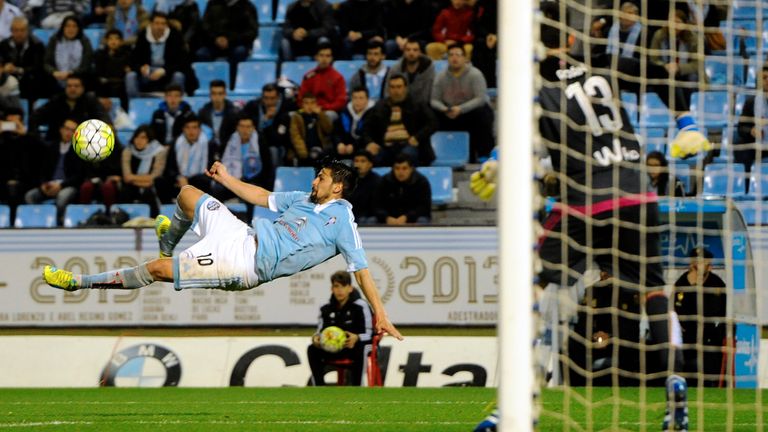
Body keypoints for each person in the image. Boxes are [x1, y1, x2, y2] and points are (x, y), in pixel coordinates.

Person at [42, 158, 403, 343]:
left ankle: (78, 282)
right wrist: (226, 179)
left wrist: (380, 313)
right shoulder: (304, 199)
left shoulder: (343, 219)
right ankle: (168, 242)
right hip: (242, 234)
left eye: (321, 177)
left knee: (156, 270)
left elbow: (360, 267)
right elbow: (263, 197)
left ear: (337, 186)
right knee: (186, 193)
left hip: (244, 263)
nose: (314, 180)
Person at [307, 270, 374, 386]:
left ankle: (357, 386)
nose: (340, 290)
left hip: (357, 346)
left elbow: (371, 333)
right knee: (312, 349)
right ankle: (319, 387)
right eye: (336, 286)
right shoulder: (326, 308)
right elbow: (319, 331)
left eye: (343, 286)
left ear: (350, 288)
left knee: (361, 348)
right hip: (335, 348)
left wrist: (357, 337)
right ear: (332, 289)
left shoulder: (361, 306)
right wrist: (316, 339)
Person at [430, 43, 494, 162]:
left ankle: (484, 154)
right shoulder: (440, 77)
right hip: (448, 112)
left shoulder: (475, 74)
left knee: (484, 112)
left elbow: (480, 98)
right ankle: (431, 154)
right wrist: (444, 109)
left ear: (465, 58)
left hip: (469, 112)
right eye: (451, 55)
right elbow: (434, 100)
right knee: (428, 112)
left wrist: (461, 109)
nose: (454, 58)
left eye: (458, 55)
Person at [673, 247, 727, 387]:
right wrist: (692, 287)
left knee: (709, 381)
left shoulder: (717, 285)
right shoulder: (682, 283)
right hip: (687, 341)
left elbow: (718, 312)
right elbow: (677, 310)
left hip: (710, 342)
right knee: (686, 379)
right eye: (695, 262)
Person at [364, 73, 437, 167]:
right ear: (388, 89)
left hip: (410, 145)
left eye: (399, 87)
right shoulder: (380, 106)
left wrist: (417, 137)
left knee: (405, 157)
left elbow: (433, 123)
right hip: (386, 147)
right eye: (392, 87)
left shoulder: (417, 104)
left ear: (405, 88)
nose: (396, 91)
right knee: (367, 158)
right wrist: (370, 142)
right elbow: (366, 128)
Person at [24, 118, 86, 222]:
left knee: (62, 198)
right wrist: (43, 184)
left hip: (68, 186)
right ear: (61, 130)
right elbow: (42, 170)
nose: (69, 133)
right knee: (30, 196)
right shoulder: (51, 147)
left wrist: (61, 185)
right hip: (50, 185)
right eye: (67, 129)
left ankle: (58, 224)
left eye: (73, 130)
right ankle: (38, 221)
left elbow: (79, 176)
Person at [127, 11, 197, 97]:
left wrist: (165, 70)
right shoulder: (143, 36)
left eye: (163, 24)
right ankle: (134, 105)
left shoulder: (175, 36)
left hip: (168, 73)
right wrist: (140, 68)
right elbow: (133, 60)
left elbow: (183, 62)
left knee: (178, 76)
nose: (160, 27)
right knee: (130, 76)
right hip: (148, 73)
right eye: (157, 23)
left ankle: (176, 103)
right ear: (151, 24)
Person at [29, 74, 109, 142]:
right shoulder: (56, 101)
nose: (72, 89)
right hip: (56, 144)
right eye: (69, 86)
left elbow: (104, 120)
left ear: (83, 88)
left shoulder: (90, 101)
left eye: (76, 86)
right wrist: (38, 139)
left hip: (83, 144)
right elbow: (34, 118)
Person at [196, 0, 258, 85]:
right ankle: (205, 84)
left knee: (239, 52)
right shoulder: (212, 4)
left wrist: (230, 40)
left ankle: (232, 84)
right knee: (201, 53)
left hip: (237, 44)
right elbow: (204, 27)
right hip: (214, 44)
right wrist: (215, 39)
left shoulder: (247, 6)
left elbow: (252, 32)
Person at [155, 115, 214, 202]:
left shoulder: (209, 144)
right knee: (160, 181)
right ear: (183, 129)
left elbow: (210, 169)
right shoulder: (176, 142)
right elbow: (169, 168)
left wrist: (189, 181)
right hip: (179, 180)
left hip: (198, 180)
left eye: (194, 128)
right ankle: (168, 207)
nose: (191, 131)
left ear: (200, 130)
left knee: (202, 181)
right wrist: (179, 177)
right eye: (188, 128)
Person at [242, 83, 296, 173]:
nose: (269, 102)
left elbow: (279, 139)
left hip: (277, 145)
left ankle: (273, 180)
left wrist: (268, 122)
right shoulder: (253, 106)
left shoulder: (286, 108)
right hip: (254, 141)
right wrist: (265, 119)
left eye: (272, 98)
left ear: (278, 97)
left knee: (273, 151)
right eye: (266, 98)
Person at [216, 115, 272, 200]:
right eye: (242, 126)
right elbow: (221, 161)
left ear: (253, 128)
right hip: (231, 179)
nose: (245, 130)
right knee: (217, 189)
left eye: (248, 127)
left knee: (254, 191)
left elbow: (267, 167)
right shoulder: (229, 141)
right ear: (237, 127)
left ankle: (251, 213)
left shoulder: (260, 143)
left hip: (252, 181)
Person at [119, 125, 167, 215]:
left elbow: (155, 177)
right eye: (136, 137)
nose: (139, 141)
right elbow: (126, 177)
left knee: (153, 188)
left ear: (149, 140)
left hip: (152, 187)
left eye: (143, 137)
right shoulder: (127, 151)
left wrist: (133, 179)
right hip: (133, 187)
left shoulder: (159, 151)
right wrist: (147, 181)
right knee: (125, 190)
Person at [373, 153, 431, 224]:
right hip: (389, 219)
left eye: (404, 168)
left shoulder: (421, 182)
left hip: (413, 218)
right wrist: (386, 217)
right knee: (372, 220)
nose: (400, 172)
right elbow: (377, 206)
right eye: (397, 168)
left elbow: (424, 207)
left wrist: (407, 217)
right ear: (393, 169)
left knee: (422, 220)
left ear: (411, 169)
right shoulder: (384, 181)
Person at [0, 16, 47, 100]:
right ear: (11, 31)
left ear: (28, 30)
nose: (19, 33)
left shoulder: (37, 45)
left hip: (30, 81)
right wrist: (4, 68)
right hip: (8, 80)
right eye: (16, 30)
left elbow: (38, 68)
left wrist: (18, 70)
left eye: (22, 30)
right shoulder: (3, 45)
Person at [298, 42, 346, 121]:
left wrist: (322, 108)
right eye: (321, 55)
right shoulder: (308, 76)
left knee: (327, 116)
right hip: (308, 109)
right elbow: (301, 98)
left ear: (331, 58)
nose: (324, 59)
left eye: (327, 56)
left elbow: (340, 101)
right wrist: (309, 107)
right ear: (316, 57)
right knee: (292, 116)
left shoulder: (338, 77)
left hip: (328, 111)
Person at [43, 16, 93, 90]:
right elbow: (46, 63)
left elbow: (86, 65)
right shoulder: (54, 40)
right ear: (63, 28)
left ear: (78, 28)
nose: (71, 29)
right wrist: (54, 72)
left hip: (78, 77)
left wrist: (70, 73)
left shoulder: (84, 41)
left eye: (74, 26)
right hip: (56, 77)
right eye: (68, 26)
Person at [735, 64, 768, 173]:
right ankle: (745, 183)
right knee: (740, 146)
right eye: (764, 77)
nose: (767, 80)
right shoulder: (751, 102)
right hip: (758, 144)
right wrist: (751, 131)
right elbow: (741, 128)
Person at [288, 91, 333, 166]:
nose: (310, 106)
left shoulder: (320, 115)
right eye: (306, 103)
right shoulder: (297, 117)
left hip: (321, 150)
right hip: (304, 152)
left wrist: (321, 115)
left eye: (312, 103)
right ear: (302, 104)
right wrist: (304, 153)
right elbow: (295, 136)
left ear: (316, 104)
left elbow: (329, 130)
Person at [386, 38, 435, 106]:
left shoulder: (428, 67)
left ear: (420, 52)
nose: (411, 53)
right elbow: (387, 91)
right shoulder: (396, 68)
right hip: (399, 105)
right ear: (404, 52)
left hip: (422, 107)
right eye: (408, 50)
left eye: (415, 50)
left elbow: (428, 93)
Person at [197, 79, 240, 151]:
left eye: (220, 93)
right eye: (214, 93)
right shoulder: (203, 112)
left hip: (229, 150)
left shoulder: (235, 113)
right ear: (210, 95)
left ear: (225, 94)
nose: (217, 97)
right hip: (208, 150)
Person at [333, 87, 374, 159]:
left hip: (363, 145)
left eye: (361, 98)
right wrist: (339, 143)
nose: (357, 101)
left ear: (367, 100)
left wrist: (354, 146)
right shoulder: (345, 112)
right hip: (346, 146)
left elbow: (369, 135)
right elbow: (336, 131)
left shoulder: (373, 113)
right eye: (355, 98)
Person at [93, 29, 131, 108]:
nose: (113, 41)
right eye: (110, 39)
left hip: (120, 85)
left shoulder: (127, 54)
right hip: (103, 85)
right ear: (106, 41)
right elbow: (99, 73)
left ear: (121, 41)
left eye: (116, 39)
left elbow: (125, 72)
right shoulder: (99, 54)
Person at [347, 150, 380, 224]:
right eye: (356, 161)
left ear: (370, 164)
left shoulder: (377, 181)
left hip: (370, 217)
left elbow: (377, 206)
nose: (358, 164)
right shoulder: (348, 181)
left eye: (363, 161)